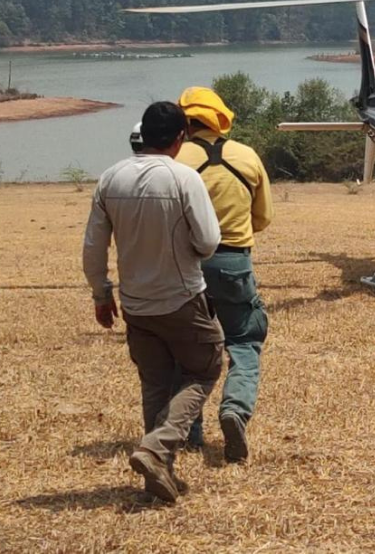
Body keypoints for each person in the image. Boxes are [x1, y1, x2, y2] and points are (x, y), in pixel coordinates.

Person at [83, 101, 223, 502]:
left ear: (143, 134)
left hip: (135, 304)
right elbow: (208, 242)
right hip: (182, 297)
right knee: (206, 369)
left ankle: (159, 474)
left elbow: (93, 247)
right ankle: (157, 450)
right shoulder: (184, 178)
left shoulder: (111, 178)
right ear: (181, 137)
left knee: (155, 384)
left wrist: (101, 293)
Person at [175, 86, 273, 463]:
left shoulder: (175, 159)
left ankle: (189, 432)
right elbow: (262, 218)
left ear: (185, 122)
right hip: (234, 263)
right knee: (245, 342)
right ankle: (235, 410)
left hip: (187, 266)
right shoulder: (247, 156)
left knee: (189, 348)